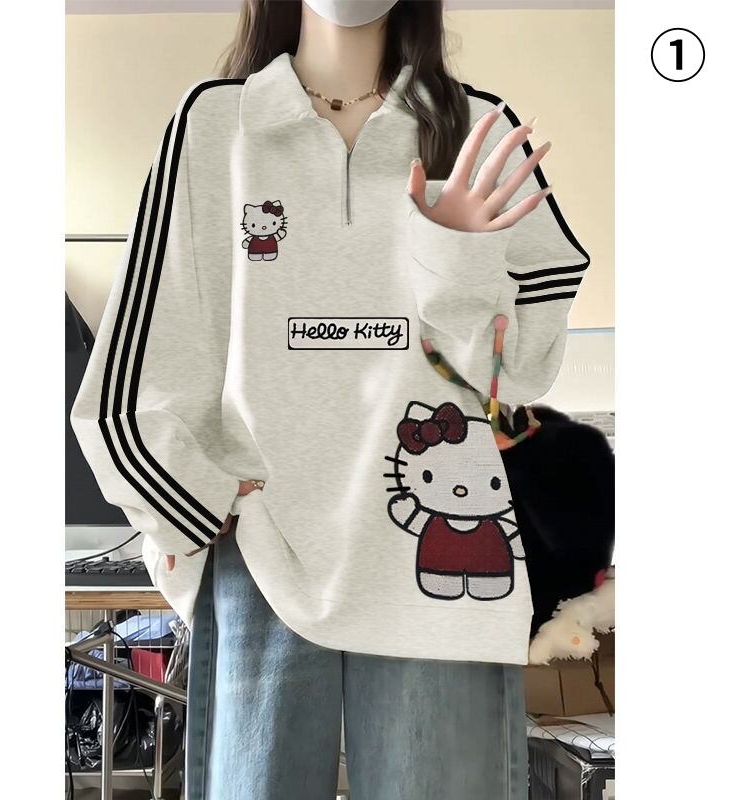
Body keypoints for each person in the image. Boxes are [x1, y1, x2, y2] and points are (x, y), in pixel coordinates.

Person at [71, 1, 589, 797]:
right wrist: (195, 498)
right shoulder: (217, 123)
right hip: (264, 553)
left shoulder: (476, 130)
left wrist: (456, 261)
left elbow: (517, 377)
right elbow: (133, 379)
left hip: (441, 572)